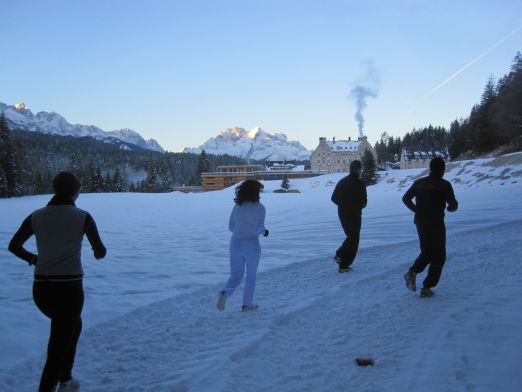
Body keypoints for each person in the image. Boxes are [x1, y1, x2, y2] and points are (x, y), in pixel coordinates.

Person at [8, 172, 107, 392]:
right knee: (58, 345)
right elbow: (101, 252)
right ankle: (55, 385)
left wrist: (33, 258)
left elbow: (14, 246)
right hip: (70, 290)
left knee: (72, 327)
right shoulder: (83, 217)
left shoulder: (36, 215)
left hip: (42, 290)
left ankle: (66, 379)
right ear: (75, 192)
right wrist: (94, 250)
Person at [402, 157, 458, 298]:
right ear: (442, 169)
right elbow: (453, 205)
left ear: (430, 168)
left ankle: (412, 273)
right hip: (436, 222)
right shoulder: (444, 185)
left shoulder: (419, 182)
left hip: (420, 221)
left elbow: (405, 198)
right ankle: (427, 287)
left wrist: (417, 210)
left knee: (427, 252)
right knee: (439, 255)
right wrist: (451, 208)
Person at [217, 179, 269, 312]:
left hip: (235, 243)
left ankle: (225, 293)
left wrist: (242, 228)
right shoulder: (260, 208)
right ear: (255, 192)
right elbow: (259, 228)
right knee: (251, 275)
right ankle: (247, 305)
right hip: (251, 243)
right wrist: (265, 232)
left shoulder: (237, 206)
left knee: (236, 275)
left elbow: (231, 227)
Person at [331, 160, 367, 273]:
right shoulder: (360, 183)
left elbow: (333, 198)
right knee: (354, 239)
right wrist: (356, 207)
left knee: (350, 237)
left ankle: (341, 259)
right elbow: (364, 202)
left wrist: (343, 206)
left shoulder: (342, 182)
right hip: (355, 215)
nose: (361, 171)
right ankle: (342, 261)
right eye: (360, 169)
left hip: (342, 214)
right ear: (357, 169)